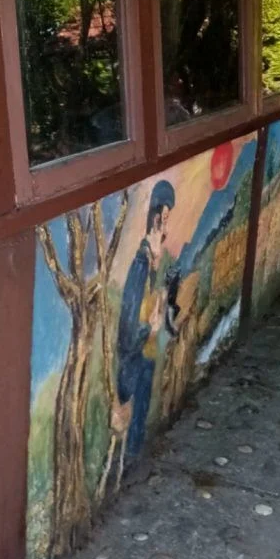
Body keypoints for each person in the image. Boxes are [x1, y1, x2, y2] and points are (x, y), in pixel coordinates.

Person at [117, 180, 175, 461]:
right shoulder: (140, 265)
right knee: (133, 434)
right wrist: (147, 329)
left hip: (147, 358)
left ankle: (134, 458)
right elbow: (127, 330)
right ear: (155, 219)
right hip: (134, 363)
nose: (166, 227)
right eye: (164, 219)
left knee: (139, 430)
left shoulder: (153, 265)